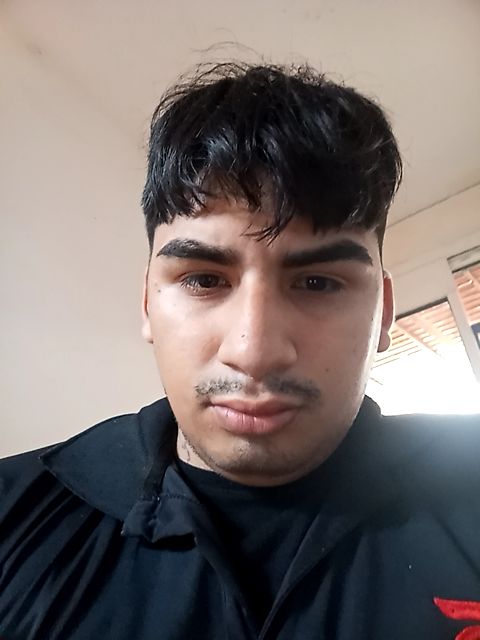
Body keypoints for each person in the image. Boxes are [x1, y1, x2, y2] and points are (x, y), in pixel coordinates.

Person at [1, 61, 479, 640]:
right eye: (204, 280)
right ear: (148, 304)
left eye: (318, 283)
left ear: (383, 313)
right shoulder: (14, 514)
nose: (254, 353)